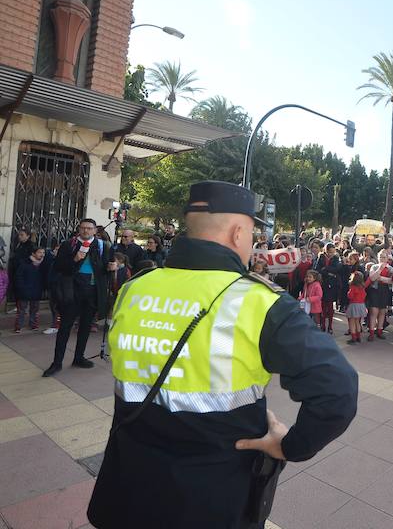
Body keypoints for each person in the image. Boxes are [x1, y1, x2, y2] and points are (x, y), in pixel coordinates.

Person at [87, 180, 357, 529]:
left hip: (127, 488)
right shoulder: (260, 302)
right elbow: (338, 390)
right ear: (238, 233)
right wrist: (291, 446)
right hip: (211, 497)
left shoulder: (134, 288)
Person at [42, 219, 115, 377]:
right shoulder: (69, 244)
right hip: (72, 291)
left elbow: (104, 269)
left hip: (92, 291)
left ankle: (79, 357)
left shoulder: (103, 246)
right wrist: (74, 259)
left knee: (85, 326)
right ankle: (56, 363)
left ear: (95, 230)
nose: (86, 231)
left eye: (89, 228)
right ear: (79, 229)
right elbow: (59, 267)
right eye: (83, 228)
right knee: (65, 327)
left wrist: (111, 268)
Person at [13, 246, 45, 333]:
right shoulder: (25, 263)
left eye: (43, 253)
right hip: (25, 290)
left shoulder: (43, 265)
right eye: (39, 252)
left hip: (36, 290)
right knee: (21, 310)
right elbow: (18, 276)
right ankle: (18, 326)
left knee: (34, 309)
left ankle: (33, 324)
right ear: (33, 254)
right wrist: (21, 287)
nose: (42, 254)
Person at [366, 251, 393, 340]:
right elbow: (372, 278)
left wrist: (381, 278)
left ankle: (379, 331)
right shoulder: (374, 267)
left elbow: (392, 280)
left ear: (387, 259)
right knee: (374, 311)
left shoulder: (390, 268)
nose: (382, 259)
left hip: (385, 291)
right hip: (375, 290)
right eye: (380, 257)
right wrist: (380, 269)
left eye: (384, 257)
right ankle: (371, 332)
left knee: (382, 312)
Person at [346, 271, 368, 344]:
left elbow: (350, 296)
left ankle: (353, 338)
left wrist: (348, 293)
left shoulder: (353, 287)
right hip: (361, 305)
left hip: (354, 305)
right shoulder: (362, 287)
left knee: (352, 322)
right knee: (358, 322)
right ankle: (358, 337)